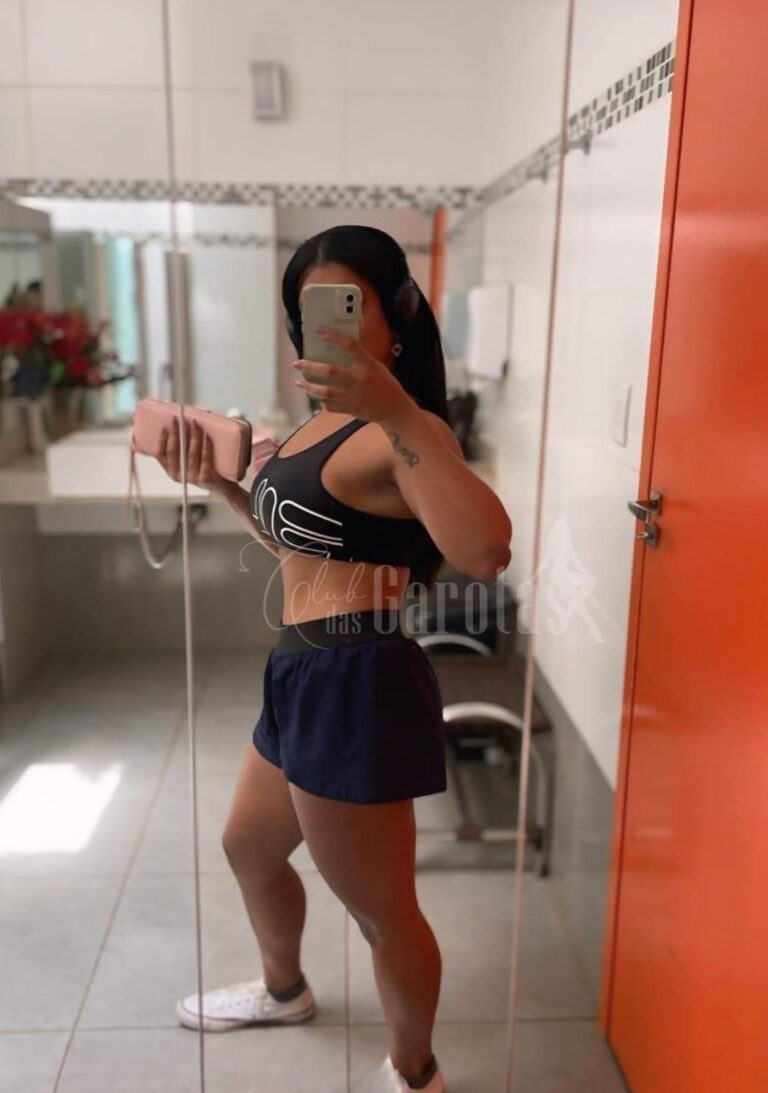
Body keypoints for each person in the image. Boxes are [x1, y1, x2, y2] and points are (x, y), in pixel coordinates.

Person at [155, 225, 512, 1092]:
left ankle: (415, 1070)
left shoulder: (405, 430)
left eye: (347, 306)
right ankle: (284, 990)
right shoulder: (318, 426)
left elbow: (485, 549)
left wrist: (397, 411)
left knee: (382, 913)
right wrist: (221, 484)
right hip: (300, 669)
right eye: (309, 312)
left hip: (358, 678)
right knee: (249, 846)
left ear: (396, 320)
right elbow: (301, 543)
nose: (326, 328)